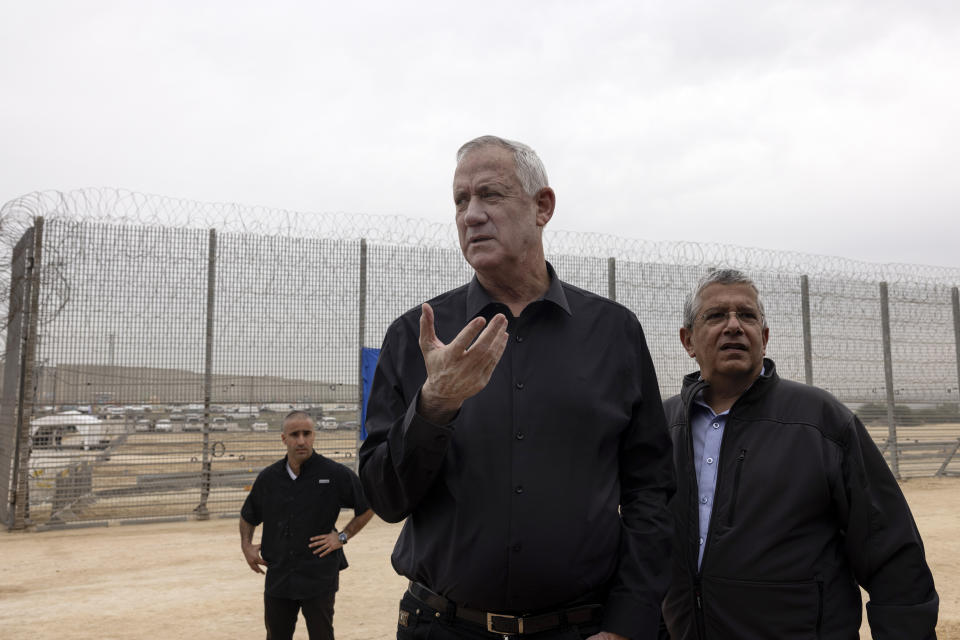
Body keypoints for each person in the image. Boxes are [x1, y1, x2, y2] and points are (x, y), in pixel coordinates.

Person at [359, 135, 674, 640]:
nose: (471, 215)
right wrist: (434, 405)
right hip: (443, 627)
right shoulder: (417, 337)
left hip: (582, 628)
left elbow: (650, 491)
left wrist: (629, 621)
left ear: (542, 206)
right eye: (460, 200)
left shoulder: (614, 333)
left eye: (491, 195)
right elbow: (384, 498)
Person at [660, 269, 938, 639]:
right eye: (715, 316)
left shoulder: (821, 421)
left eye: (747, 315)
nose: (733, 326)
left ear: (765, 336)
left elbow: (890, 550)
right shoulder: (662, 428)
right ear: (688, 340)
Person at [240, 410, 374, 640]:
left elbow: (368, 506)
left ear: (314, 436)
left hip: (319, 577)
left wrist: (342, 537)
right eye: (294, 434)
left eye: (306, 433)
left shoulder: (333, 474)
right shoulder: (269, 478)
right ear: (284, 439)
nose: (301, 440)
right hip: (279, 576)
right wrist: (246, 545)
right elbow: (248, 515)